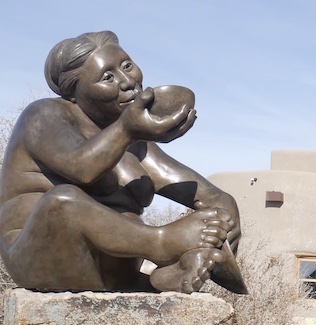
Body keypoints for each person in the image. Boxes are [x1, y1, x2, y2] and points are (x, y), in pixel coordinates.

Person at [0, 31, 243, 294]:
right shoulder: (43, 116)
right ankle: (162, 246)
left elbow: (200, 192)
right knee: (63, 202)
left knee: (214, 205)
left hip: (115, 270)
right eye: (107, 78)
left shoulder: (135, 139)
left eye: (127, 66)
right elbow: (82, 169)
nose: (128, 81)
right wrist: (128, 129)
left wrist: (223, 205)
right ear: (74, 94)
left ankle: (152, 282)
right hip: (41, 255)